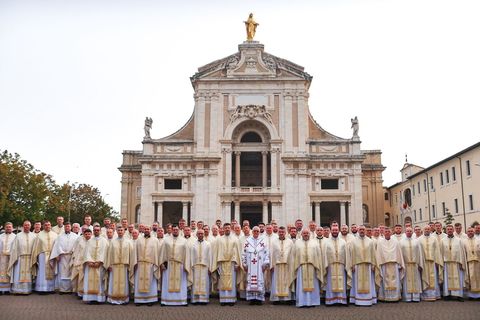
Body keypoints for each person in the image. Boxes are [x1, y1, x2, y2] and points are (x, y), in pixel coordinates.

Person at [349, 225, 380, 306]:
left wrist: (373, 264)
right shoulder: (353, 241)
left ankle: (369, 300)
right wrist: (352, 264)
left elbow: (373, 253)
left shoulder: (370, 241)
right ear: (358, 230)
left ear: (365, 231)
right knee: (357, 283)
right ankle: (357, 300)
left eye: (363, 229)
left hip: (368, 266)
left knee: (369, 283)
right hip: (357, 265)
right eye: (360, 229)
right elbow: (351, 253)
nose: (362, 231)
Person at [293, 229, 324, 307]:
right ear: (301, 234)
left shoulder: (314, 243)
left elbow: (318, 255)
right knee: (301, 285)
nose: (306, 234)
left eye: (307, 233)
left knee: (313, 284)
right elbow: (294, 255)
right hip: (301, 266)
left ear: (309, 234)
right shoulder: (297, 243)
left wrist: (318, 265)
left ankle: (313, 302)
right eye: (304, 233)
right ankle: (302, 302)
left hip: (312, 266)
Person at [212, 223, 241, 306]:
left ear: (230, 229)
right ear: (223, 229)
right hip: (222, 263)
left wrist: (237, 263)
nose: (227, 229)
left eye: (228, 228)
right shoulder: (219, 240)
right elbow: (216, 252)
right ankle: (223, 300)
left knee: (232, 281)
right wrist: (217, 263)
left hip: (231, 263)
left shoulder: (235, 239)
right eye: (226, 228)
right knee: (222, 281)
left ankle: (231, 300)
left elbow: (237, 251)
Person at [159, 224, 189, 306]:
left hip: (180, 265)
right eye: (174, 229)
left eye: (177, 229)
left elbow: (186, 254)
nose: (175, 231)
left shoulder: (184, 241)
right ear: (171, 230)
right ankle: (166, 301)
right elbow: (162, 252)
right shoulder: (166, 240)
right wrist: (162, 263)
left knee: (181, 283)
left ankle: (182, 300)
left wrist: (186, 265)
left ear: (179, 230)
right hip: (168, 265)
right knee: (167, 283)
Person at [105, 224, 134, 305]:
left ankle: (124, 299)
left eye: (122, 230)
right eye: (119, 230)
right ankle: (113, 299)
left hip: (124, 266)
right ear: (116, 231)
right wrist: (109, 265)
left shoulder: (128, 241)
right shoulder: (113, 242)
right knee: (113, 282)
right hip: (114, 266)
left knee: (123, 283)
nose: (120, 232)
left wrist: (130, 265)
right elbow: (109, 254)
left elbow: (131, 254)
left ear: (124, 231)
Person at [242, 226, 269, 305]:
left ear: (259, 232)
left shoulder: (263, 241)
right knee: (251, 282)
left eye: (257, 231)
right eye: (255, 231)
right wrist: (244, 263)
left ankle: (259, 299)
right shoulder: (248, 241)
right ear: (252, 232)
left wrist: (265, 264)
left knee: (259, 282)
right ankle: (252, 299)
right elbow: (243, 253)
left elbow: (267, 253)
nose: (256, 232)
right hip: (250, 266)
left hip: (260, 266)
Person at [323, 225, 350, 305]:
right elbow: (324, 254)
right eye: (333, 230)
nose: (335, 232)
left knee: (341, 282)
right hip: (331, 266)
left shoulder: (343, 242)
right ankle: (331, 300)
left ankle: (341, 300)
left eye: (336, 230)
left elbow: (346, 255)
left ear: (338, 231)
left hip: (341, 266)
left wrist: (347, 265)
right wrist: (326, 265)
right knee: (330, 283)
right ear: (331, 231)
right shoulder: (326, 242)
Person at [376, 227, 405, 302]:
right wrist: (379, 264)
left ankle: (395, 296)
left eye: (389, 232)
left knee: (395, 280)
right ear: (384, 233)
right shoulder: (380, 242)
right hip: (384, 265)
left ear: (391, 233)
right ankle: (385, 297)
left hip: (394, 265)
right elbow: (379, 254)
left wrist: (400, 264)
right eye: (386, 232)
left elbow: (399, 253)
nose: (387, 233)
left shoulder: (395, 242)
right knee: (384, 280)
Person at [49, 221, 78, 293]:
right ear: (64, 227)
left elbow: (77, 246)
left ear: (71, 227)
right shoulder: (59, 236)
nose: (67, 228)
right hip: (62, 257)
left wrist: (74, 254)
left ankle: (71, 288)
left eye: (68, 226)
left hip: (71, 256)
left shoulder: (76, 236)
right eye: (66, 226)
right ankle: (62, 289)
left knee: (71, 272)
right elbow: (56, 246)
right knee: (62, 273)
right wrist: (57, 255)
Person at [133, 225, 159, 306]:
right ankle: (139, 300)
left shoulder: (155, 240)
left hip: (150, 265)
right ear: (143, 230)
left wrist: (155, 263)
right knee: (139, 281)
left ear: (150, 230)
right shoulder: (138, 240)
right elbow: (135, 252)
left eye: (148, 229)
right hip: (140, 264)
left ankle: (150, 300)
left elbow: (157, 253)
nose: (147, 230)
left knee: (150, 282)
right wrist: (135, 262)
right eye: (145, 229)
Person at [83, 225, 109, 304]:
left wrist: (99, 261)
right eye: (95, 230)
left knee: (100, 281)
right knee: (89, 281)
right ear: (93, 231)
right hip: (90, 265)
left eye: (98, 230)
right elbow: (86, 252)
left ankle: (99, 299)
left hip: (100, 265)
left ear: (100, 231)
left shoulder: (104, 241)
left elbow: (105, 252)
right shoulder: (89, 241)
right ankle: (90, 298)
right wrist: (89, 261)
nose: (96, 231)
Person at [7, 220, 36, 294]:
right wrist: (15, 257)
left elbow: (35, 248)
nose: (27, 226)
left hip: (30, 258)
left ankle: (27, 290)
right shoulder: (18, 235)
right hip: (20, 258)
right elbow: (14, 248)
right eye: (25, 225)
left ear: (30, 226)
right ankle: (18, 290)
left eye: (28, 225)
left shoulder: (34, 236)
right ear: (23, 226)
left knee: (29, 274)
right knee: (18, 274)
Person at [440, 224, 467, 301]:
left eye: (451, 229)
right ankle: (447, 294)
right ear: (446, 230)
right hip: (446, 263)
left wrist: (462, 263)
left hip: (456, 263)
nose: (449, 231)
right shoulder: (442, 241)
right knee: (447, 280)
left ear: (453, 230)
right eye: (448, 229)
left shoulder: (459, 240)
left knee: (458, 279)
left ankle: (459, 295)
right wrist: (441, 263)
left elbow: (462, 252)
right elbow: (441, 253)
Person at [31, 220, 58, 293]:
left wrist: (57, 254)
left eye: (49, 225)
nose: (47, 226)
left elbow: (57, 245)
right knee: (42, 271)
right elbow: (36, 247)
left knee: (52, 271)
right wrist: (36, 256)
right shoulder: (39, 235)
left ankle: (51, 288)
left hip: (52, 255)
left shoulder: (55, 235)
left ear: (51, 225)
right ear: (43, 226)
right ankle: (42, 289)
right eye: (46, 225)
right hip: (42, 255)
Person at [399, 227, 425, 302]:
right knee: (407, 281)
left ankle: (415, 297)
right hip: (406, 265)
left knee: (415, 280)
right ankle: (407, 297)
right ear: (405, 232)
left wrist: (420, 264)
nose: (409, 232)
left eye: (410, 231)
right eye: (407, 231)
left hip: (414, 265)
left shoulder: (417, 242)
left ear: (412, 232)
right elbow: (400, 254)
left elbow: (420, 253)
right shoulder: (401, 242)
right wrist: (401, 265)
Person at [269, 226, 294, 303]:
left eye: (282, 232)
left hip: (287, 265)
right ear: (278, 232)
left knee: (287, 281)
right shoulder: (274, 242)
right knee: (276, 282)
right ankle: (276, 299)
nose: (281, 233)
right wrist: (271, 265)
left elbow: (292, 254)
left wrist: (291, 265)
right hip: (277, 265)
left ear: (285, 232)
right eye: (280, 232)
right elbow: (271, 254)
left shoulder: (290, 242)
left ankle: (287, 299)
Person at [186, 229, 212, 304]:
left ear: (204, 234)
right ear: (197, 235)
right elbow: (191, 255)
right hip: (195, 266)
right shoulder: (193, 244)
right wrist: (191, 265)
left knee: (204, 282)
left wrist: (209, 267)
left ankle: (204, 300)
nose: (200, 235)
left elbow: (210, 256)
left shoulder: (208, 244)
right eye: (199, 233)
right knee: (195, 283)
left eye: (202, 233)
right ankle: (195, 300)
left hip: (205, 266)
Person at [418, 225, 443, 301]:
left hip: (432, 262)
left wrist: (437, 261)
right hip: (424, 262)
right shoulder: (419, 239)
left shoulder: (434, 239)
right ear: (423, 230)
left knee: (433, 279)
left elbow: (437, 250)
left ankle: (434, 295)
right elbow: (418, 252)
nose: (427, 230)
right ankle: (425, 295)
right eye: (425, 229)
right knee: (424, 278)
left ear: (430, 230)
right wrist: (419, 263)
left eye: (428, 229)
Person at [71, 228, 91, 298]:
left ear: (91, 234)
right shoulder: (80, 240)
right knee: (80, 278)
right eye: (86, 234)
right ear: (83, 234)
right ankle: (80, 293)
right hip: (80, 261)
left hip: (89, 263)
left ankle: (86, 292)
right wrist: (75, 260)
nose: (87, 235)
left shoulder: (92, 241)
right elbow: (76, 250)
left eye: (89, 234)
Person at [463, 227, 480, 299]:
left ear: (474, 232)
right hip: (468, 262)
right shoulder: (464, 241)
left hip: (478, 262)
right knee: (470, 277)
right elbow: (463, 253)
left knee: (478, 278)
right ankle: (471, 295)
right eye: (469, 231)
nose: (470, 232)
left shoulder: (478, 240)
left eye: (471, 231)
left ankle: (479, 295)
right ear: (467, 233)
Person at [0, 222, 16, 293]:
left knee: (9, 272)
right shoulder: (0, 236)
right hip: (1, 257)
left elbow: (16, 248)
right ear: (4, 227)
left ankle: (7, 289)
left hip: (10, 257)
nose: (8, 228)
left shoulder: (15, 236)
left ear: (12, 228)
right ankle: (0, 289)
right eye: (7, 227)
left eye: (10, 227)